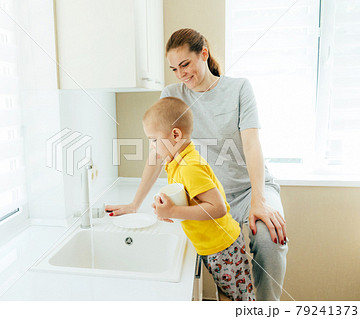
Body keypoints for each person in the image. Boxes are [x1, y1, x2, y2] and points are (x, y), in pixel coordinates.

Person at [106, 28, 288, 301]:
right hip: (207, 194)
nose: (181, 74)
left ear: (203, 54)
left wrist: (258, 200)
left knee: (269, 240)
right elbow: (157, 151)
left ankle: (266, 307)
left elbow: (252, 146)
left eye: (185, 64)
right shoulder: (173, 93)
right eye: (174, 69)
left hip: (250, 189)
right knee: (223, 268)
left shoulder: (239, 88)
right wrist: (134, 203)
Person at [146, 97, 255, 301]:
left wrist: (172, 212)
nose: (151, 147)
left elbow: (217, 208)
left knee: (239, 301)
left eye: (153, 140)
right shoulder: (178, 163)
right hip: (214, 246)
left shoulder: (189, 167)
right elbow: (189, 199)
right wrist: (166, 207)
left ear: (175, 135)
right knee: (227, 295)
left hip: (223, 248)